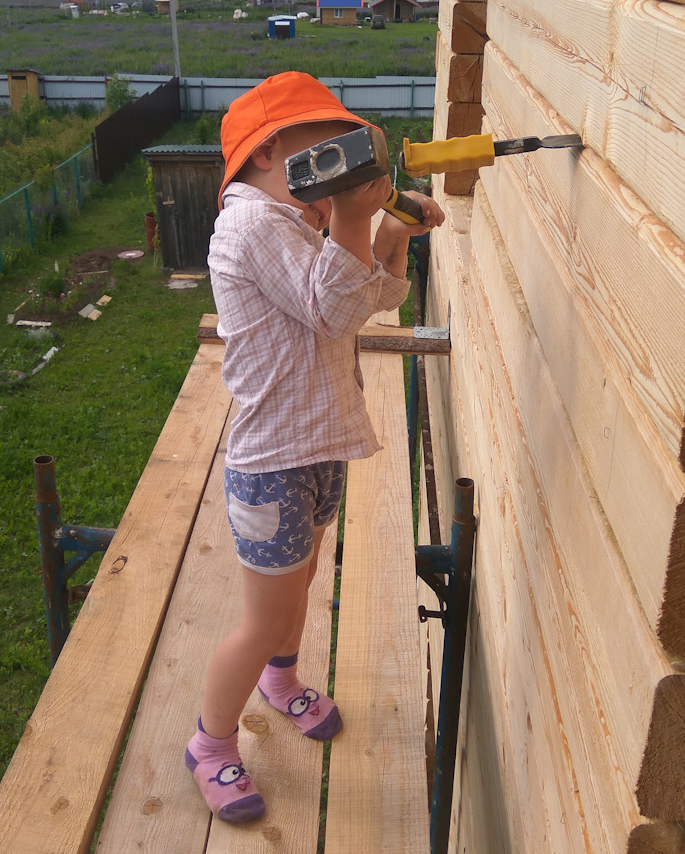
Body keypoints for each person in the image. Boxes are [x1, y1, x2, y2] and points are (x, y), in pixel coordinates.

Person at [185, 71, 445, 823]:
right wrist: (354, 225)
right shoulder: (252, 226)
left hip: (319, 446)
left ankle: (281, 679)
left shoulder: (299, 223)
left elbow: (373, 300)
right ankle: (210, 744)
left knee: (297, 594)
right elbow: (335, 312)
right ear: (270, 153)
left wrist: (387, 236)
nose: (341, 166)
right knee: (263, 616)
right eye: (324, 150)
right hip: (272, 465)